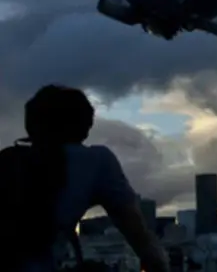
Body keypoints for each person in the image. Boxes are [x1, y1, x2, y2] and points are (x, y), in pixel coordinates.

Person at [0, 84, 169, 272]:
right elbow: (137, 233)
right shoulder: (96, 162)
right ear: (85, 126)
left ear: (30, 125)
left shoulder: (9, 161)